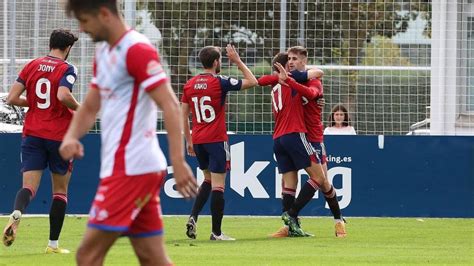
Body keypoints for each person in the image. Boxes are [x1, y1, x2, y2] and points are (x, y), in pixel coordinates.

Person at [63, 1, 198, 265]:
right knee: (152, 258)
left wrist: (179, 162)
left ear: (104, 14)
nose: (81, 28)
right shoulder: (104, 52)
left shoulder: (137, 49)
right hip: (129, 167)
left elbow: (169, 105)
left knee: (87, 255)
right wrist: (70, 137)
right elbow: (90, 106)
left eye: (84, 20)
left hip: (132, 169)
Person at [2, 29, 80, 253]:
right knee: (60, 191)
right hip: (59, 137)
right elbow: (63, 96)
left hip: (33, 134)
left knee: (28, 187)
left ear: (51, 44)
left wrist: (35, 103)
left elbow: (12, 98)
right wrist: (82, 109)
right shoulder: (67, 68)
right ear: (68, 48)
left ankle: (17, 214)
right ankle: (52, 245)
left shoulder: (32, 65)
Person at [182, 44, 258, 241]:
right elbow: (253, 81)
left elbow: (183, 115)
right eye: (221, 60)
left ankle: (193, 217)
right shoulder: (220, 82)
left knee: (207, 180)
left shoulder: (189, 84)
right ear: (216, 62)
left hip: (198, 140)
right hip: (215, 139)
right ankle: (216, 233)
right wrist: (238, 61)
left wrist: (188, 141)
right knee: (218, 185)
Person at [258, 53, 327, 237]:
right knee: (319, 178)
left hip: (278, 138)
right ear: (284, 67)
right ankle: (291, 213)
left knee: (290, 184)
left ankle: (291, 228)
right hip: (294, 133)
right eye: (289, 62)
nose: (292, 64)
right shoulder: (291, 78)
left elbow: (260, 80)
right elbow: (317, 73)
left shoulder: (273, 83)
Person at [286, 46, 347, 237]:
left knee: (324, 183)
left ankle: (338, 221)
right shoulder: (288, 80)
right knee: (288, 182)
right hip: (295, 137)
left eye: (295, 58)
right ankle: (290, 226)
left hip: (312, 137)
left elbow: (316, 84)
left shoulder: (314, 81)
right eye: (289, 58)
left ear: (304, 61)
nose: (291, 61)